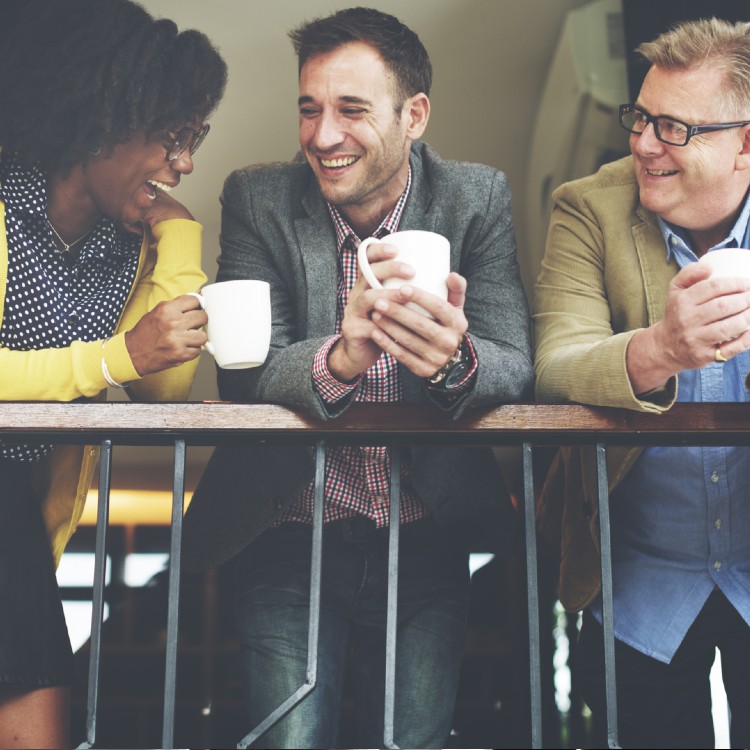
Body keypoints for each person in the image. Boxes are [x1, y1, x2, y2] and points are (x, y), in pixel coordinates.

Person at [182, 6, 533, 748]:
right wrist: (342, 355)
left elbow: (515, 361)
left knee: (412, 741)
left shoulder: (477, 196)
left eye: (350, 110)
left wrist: (454, 359)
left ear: (415, 115)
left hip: (429, 532)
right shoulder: (258, 196)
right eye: (308, 109)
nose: (322, 135)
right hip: (287, 528)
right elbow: (244, 372)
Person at [0, 0, 227, 746]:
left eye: (194, 140)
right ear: (102, 119)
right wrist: (112, 358)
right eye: (172, 137)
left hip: (18, 517)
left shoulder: (122, 245)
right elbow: (124, 361)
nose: (184, 162)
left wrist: (182, 237)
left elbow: (162, 385)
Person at [534, 17, 750, 749]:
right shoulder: (588, 207)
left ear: (746, 140)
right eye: (640, 117)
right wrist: (661, 349)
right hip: (637, 581)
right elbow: (556, 364)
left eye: (673, 127)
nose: (643, 143)